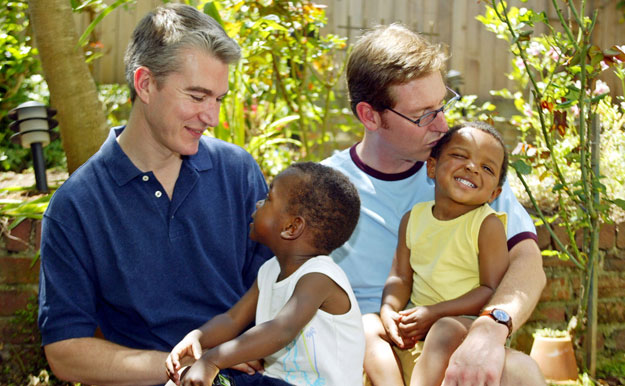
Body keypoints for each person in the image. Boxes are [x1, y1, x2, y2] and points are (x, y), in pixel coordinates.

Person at [37, 4, 281, 385]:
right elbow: (66, 352)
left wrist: (241, 351)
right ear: (145, 84)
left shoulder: (238, 171)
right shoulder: (77, 206)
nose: (212, 117)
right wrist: (189, 366)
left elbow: (275, 285)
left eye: (218, 98)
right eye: (198, 97)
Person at [321, 23, 547, 385]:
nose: (443, 125)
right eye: (424, 114)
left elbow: (528, 265)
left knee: (522, 373)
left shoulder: (470, 176)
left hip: (453, 338)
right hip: (367, 354)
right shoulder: (323, 188)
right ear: (370, 116)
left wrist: (493, 326)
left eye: (443, 104)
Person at [165, 162, 365, 386]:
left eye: (269, 198)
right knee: (187, 377)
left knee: (207, 373)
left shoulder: (320, 276)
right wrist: (198, 337)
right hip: (273, 380)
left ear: (291, 227)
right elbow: (232, 319)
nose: (259, 203)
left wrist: (212, 360)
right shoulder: (269, 270)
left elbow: (282, 328)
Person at [373, 122, 509, 385]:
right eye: (460, 156)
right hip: (421, 317)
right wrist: (389, 310)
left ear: (494, 193)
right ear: (432, 166)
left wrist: (434, 314)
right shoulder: (413, 219)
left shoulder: (487, 225)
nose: (472, 167)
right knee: (368, 326)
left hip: (468, 323)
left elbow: (490, 289)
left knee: (444, 329)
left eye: (487, 168)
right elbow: (400, 277)